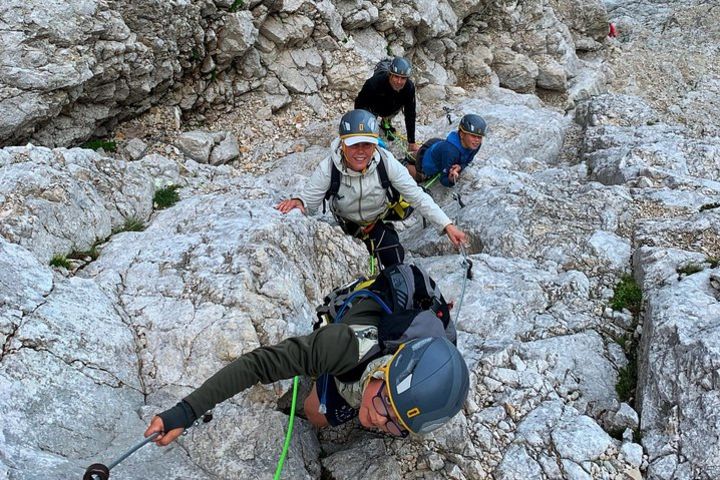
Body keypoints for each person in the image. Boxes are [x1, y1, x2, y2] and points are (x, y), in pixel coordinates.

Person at [144, 283, 471, 445]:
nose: (376, 421)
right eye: (385, 404)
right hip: (345, 357)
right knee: (316, 415)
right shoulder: (341, 346)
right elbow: (259, 365)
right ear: (386, 371)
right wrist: (186, 413)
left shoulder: (426, 390)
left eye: (396, 425)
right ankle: (309, 393)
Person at [276, 109, 466, 269]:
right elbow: (308, 203)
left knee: (396, 263)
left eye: (367, 144)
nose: (361, 151)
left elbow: (417, 196)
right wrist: (299, 202)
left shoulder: (385, 161)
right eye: (354, 144)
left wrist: (446, 225)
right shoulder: (329, 168)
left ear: (375, 143)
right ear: (342, 143)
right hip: (346, 228)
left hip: (377, 223)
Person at [354, 57, 419, 154]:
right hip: (374, 105)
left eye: (403, 78)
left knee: (394, 106)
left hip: (392, 105)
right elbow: (359, 105)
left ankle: (386, 121)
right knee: (371, 119)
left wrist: (411, 142)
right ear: (390, 75)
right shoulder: (374, 83)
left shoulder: (409, 88)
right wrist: (363, 130)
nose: (399, 81)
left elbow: (410, 113)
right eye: (396, 77)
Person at [407, 114, 487, 187]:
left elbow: (467, 161)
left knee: (423, 154)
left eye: (479, 137)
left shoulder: (475, 145)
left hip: (436, 146)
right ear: (462, 134)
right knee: (421, 177)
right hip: (427, 160)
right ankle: (403, 165)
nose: (477, 140)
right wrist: (451, 180)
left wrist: (460, 167)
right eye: (473, 136)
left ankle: (411, 156)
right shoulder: (451, 152)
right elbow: (443, 179)